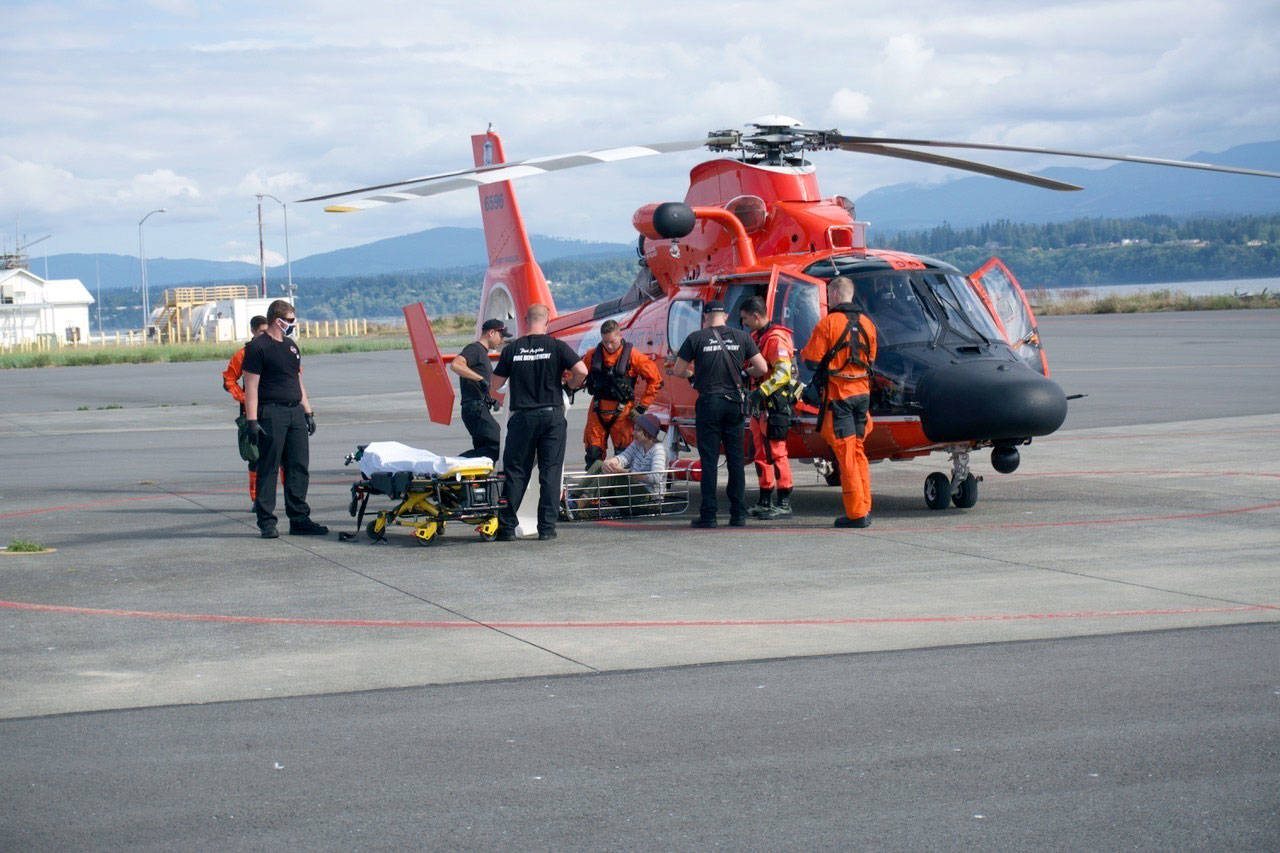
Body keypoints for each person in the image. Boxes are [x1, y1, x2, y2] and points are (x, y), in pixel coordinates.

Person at [491, 303, 587, 541]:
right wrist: (569, 386)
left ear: (525, 321)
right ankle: (546, 528)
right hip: (551, 415)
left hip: (522, 416)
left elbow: (495, 384)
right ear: (547, 322)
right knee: (550, 472)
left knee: (515, 471)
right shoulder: (557, 346)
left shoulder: (513, 349)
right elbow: (582, 371)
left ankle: (507, 527)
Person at [672, 300, 767, 528]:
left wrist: (692, 374)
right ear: (725, 316)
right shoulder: (742, 337)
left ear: (705, 317)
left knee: (710, 460)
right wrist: (744, 373)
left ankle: (709, 515)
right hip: (734, 403)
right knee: (735, 460)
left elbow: (677, 370)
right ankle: (738, 514)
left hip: (709, 403)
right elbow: (762, 368)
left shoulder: (696, 338)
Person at [243, 300, 328, 539]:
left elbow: (297, 380)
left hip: (294, 412)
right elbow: (251, 385)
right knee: (269, 468)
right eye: (290, 320)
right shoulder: (257, 348)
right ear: (277, 319)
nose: (292, 324)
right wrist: (252, 420)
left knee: (298, 466)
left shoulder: (291, 347)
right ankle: (267, 521)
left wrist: (308, 411)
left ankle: (299, 518)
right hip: (271, 412)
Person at [801, 276, 879, 528]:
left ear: (833, 295)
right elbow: (872, 358)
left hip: (840, 397)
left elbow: (811, 361)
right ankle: (864, 506)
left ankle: (856, 513)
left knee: (846, 456)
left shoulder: (828, 324)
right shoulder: (868, 324)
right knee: (858, 451)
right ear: (851, 295)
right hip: (862, 395)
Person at [739, 296, 798, 519]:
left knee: (777, 452)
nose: (743, 322)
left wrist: (761, 391)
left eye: (745, 318)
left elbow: (783, 374)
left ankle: (784, 502)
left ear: (756, 315)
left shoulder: (775, 339)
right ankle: (765, 499)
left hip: (774, 405)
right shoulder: (757, 337)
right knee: (760, 452)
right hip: (760, 406)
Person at [580, 319, 663, 467]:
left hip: (623, 413)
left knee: (624, 457)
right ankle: (595, 489)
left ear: (620, 336)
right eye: (605, 342)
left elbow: (656, 381)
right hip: (598, 410)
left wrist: (642, 407)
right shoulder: (592, 356)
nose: (609, 346)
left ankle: (619, 489)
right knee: (593, 454)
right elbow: (577, 374)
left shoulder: (634, 356)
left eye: (612, 341)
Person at [450, 318, 511, 461]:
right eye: (501, 336)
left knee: (484, 449)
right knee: (497, 444)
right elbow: (456, 365)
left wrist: (490, 399)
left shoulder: (482, 353)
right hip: (474, 408)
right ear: (491, 333)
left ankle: (471, 475)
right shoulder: (474, 349)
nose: (502, 341)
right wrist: (480, 379)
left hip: (479, 407)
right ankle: (453, 464)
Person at [222, 315, 269, 502]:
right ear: (253, 331)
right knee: (254, 458)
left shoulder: (276, 349)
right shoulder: (243, 354)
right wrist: (244, 397)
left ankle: (283, 499)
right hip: (251, 413)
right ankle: (256, 499)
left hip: (274, 409)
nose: (265, 335)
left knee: (282, 458)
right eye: (262, 332)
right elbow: (228, 380)